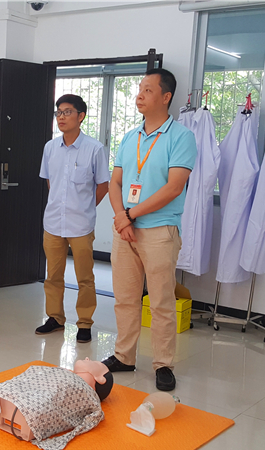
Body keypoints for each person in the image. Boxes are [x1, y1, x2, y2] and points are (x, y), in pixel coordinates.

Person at [103, 68, 197, 392]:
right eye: (139, 89)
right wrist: (121, 216)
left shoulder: (181, 137)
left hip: (159, 231)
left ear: (166, 97)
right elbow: (115, 182)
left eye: (148, 90)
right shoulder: (130, 137)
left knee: (160, 302)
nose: (139, 95)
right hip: (125, 231)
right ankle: (124, 356)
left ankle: (163, 364)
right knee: (125, 298)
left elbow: (173, 188)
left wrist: (130, 214)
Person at [35, 94, 110, 343]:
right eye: (58, 112)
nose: (61, 117)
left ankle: (85, 322)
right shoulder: (49, 148)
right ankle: (55, 318)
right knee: (53, 275)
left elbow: (103, 186)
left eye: (67, 112)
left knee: (85, 278)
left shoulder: (95, 149)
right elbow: (50, 181)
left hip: (81, 224)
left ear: (81, 116)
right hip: (53, 223)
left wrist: (84, 207)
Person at [0, 359, 113, 450]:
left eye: (94, 362)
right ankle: (11, 400)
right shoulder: (62, 372)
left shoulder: (85, 392)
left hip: (32, 408)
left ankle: (19, 408)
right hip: (23, 398)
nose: (87, 358)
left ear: (100, 379)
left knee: (50, 397)